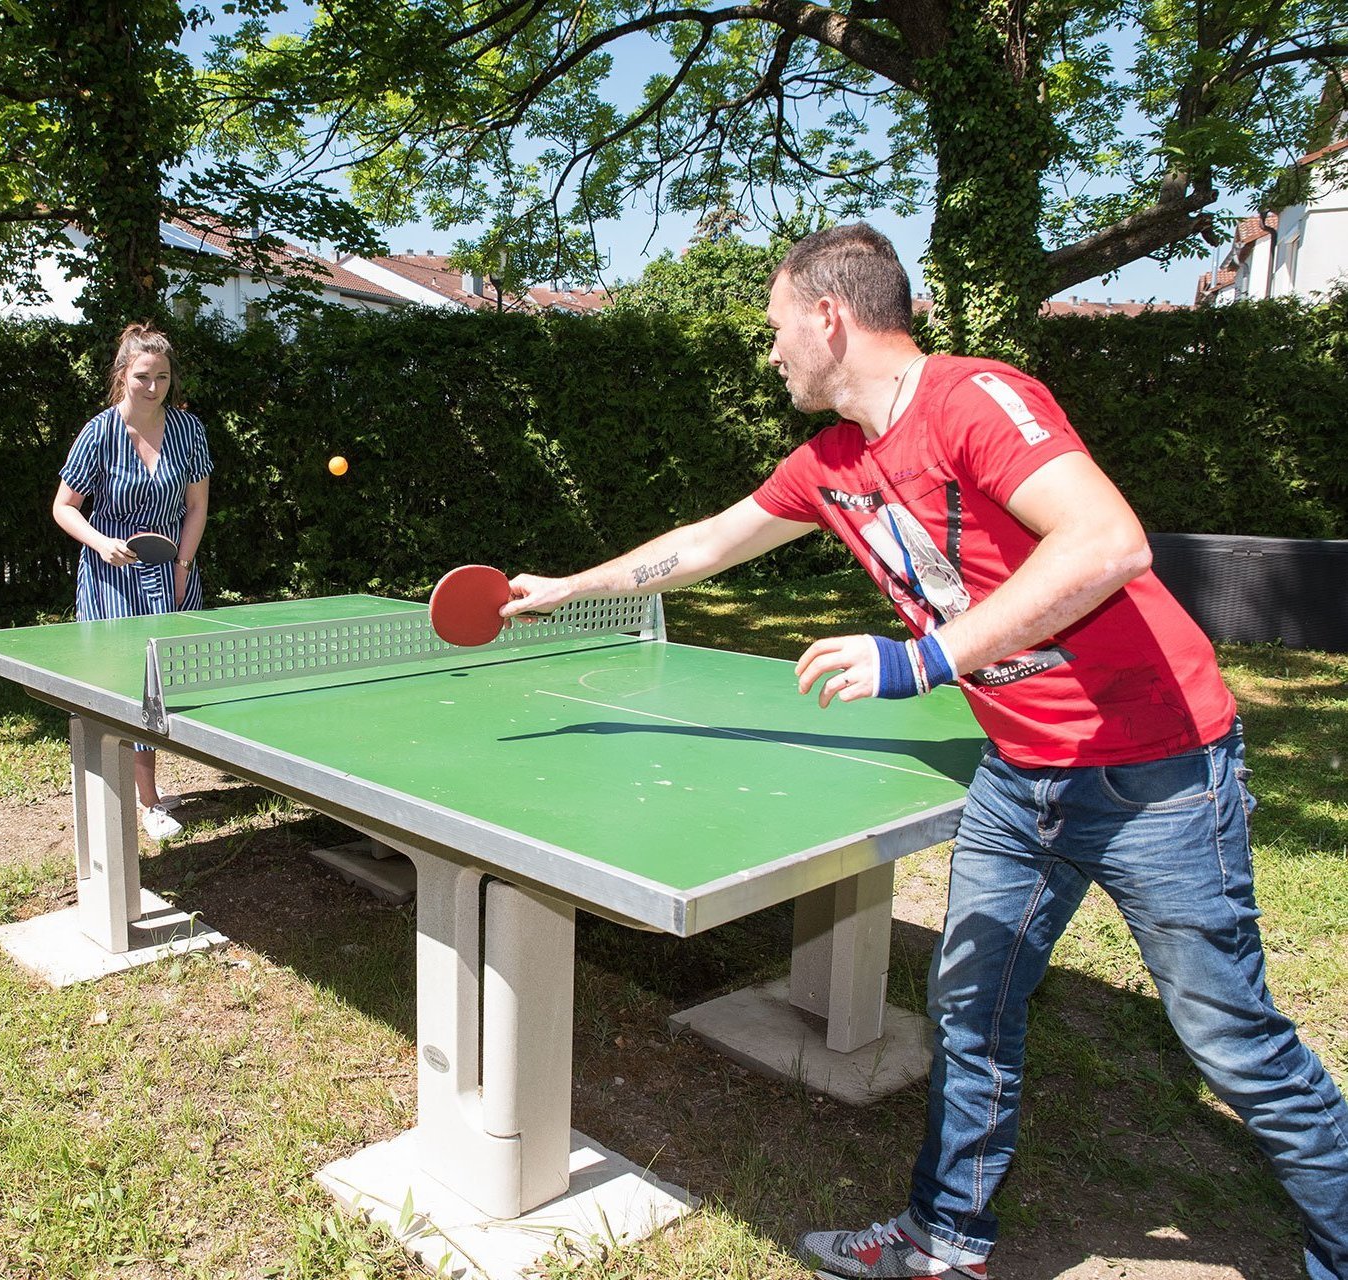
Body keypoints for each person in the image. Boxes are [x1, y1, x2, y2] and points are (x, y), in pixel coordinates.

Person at [502, 224, 1348, 1280]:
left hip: (1155, 769)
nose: (767, 352)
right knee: (971, 1009)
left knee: (1230, 1041)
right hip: (1019, 773)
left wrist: (921, 659)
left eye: (773, 329)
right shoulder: (830, 462)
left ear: (826, 316)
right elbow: (706, 542)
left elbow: (1105, 543)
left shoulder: (973, 399)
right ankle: (945, 1242)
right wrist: (566, 588)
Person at [52, 322, 212, 841]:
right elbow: (64, 507)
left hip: (169, 573)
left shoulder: (190, 430)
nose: (153, 386)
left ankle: (145, 789)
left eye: (162, 377)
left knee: (167, 688)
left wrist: (183, 567)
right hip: (110, 576)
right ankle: (145, 802)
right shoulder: (99, 431)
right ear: (123, 375)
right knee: (123, 688)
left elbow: (196, 506)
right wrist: (100, 542)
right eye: (144, 376)